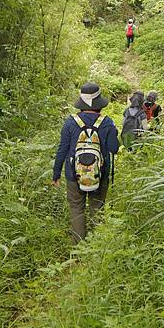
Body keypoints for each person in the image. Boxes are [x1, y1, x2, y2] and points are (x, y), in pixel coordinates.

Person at [52, 82, 119, 245]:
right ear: (99, 104)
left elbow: (62, 150)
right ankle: (97, 249)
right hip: (100, 174)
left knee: (76, 208)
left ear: (81, 103)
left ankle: (79, 248)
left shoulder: (70, 122)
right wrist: (113, 133)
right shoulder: (107, 122)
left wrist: (56, 174)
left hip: (73, 174)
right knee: (97, 209)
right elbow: (114, 149)